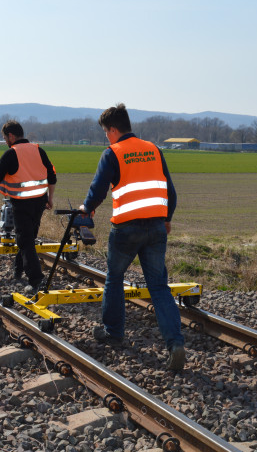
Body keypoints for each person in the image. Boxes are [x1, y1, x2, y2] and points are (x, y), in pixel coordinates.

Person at [79, 103, 185, 371]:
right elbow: (170, 192)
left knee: (114, 279)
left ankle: (113, 332)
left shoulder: (113, 152)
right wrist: (167, 219)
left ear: (113, 129)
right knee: (159, 287)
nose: (106, 137)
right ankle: (175, 344)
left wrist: (86, 210)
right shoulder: (154, 149)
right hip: (157, 228)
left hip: (126, 230)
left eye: (106, 132)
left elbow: (98, 190)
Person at [0, 120, 56, 294]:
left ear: (11, 136)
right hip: (40, 201)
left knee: (25, 239)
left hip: (22, 203)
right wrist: (50, 198)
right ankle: (18, 269)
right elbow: (52, 176)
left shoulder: (11, 153)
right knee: (28, 238)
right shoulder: (38, 149)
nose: (5, 141)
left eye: (4, 138)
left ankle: (36, 279)